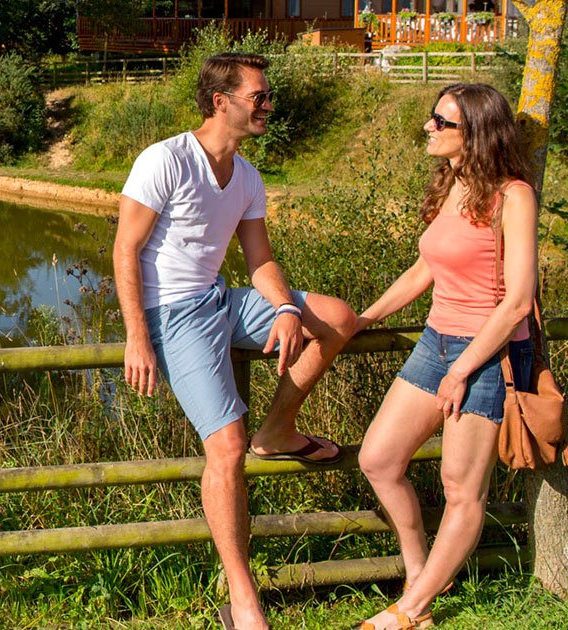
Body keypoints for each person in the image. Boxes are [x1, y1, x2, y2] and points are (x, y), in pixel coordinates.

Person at [113, 52, 359, 630]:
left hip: (221, 298)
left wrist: (286, 308)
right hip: (172, 314)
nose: (268, 105)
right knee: (225, 449)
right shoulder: (165, 160)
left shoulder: (247, 176)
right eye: (259, 96)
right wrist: (137, 336)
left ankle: (277, 432)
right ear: (221, 102)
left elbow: (260, 259)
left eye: (268, 96)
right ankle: (243, 599)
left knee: (339, 318)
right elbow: (125, 249)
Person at [352, 83, 537, 630]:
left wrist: (461, 370)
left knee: (462, 490)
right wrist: (362, 319)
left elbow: (517, 301)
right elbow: (424, 270)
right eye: (433, 118)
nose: (428, 127)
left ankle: (410, 612)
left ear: (476, 132)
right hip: (435, 342)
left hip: (489, 354)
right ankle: (421, 577)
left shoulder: (514, 196)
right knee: (379, 459)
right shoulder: (454, 184)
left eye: (441, 121)